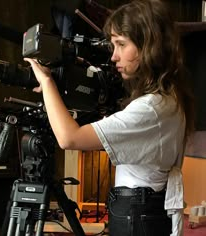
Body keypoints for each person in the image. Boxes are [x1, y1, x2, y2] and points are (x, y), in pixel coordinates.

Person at [24, 0, 195, 235]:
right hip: (144, 213)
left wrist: (46, 82)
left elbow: (69, 139)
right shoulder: (167, 99)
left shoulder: (151, 108)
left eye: (121, 44)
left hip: (138, 218)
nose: (114, 56)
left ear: (148, 46)